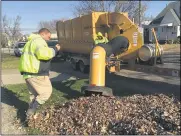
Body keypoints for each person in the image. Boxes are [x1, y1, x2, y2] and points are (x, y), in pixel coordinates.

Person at [19, 28, 61, 118]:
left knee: (34, 95)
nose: (49, 39)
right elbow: (44, 54)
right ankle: (31, 110)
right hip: (36, 73)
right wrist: (55, 49)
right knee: (46, 92)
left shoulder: (30, 42)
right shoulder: (39, 41)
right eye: (49, 36)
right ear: (43, 34)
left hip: (28, 74)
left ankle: (30, 117)